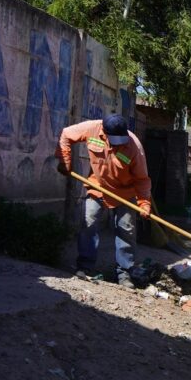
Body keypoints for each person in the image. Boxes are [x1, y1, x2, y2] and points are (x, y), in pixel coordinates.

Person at [56, 114, 151, 288]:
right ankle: (85, 267)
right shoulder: (92, 128)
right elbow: (66, 134)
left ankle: (125, 274)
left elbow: (142, 179)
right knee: (88, 223)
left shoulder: (134, 146)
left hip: (124, 193)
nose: (118, 143)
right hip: (98, 186)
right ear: (104, 132)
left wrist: (144, 203)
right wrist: (65, 159)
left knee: (126, 230)